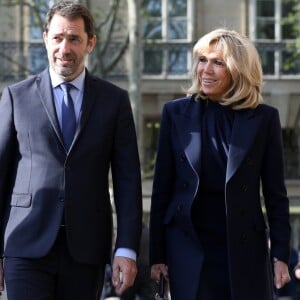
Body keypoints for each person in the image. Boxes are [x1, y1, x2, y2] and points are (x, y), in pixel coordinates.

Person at [0, 1, 142, 300]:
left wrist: (127, 247)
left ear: (90, 43)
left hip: (86, 249)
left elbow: (128, 181)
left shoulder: (114, 101)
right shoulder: (16, 96)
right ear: (45, 39)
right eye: (58, 38)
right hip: (25, 244)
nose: (64, 48)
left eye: (74, 39)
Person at [149, 28, 291, 300]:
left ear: (238, 70)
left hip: (243, 249)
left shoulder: (264, 119)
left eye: (218, 63)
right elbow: (161, 190)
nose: (206, 69)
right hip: (189, 247)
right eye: (202, 60)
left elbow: (276, 195)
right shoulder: (175, 113)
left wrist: (281, 255)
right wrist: (157, 256)